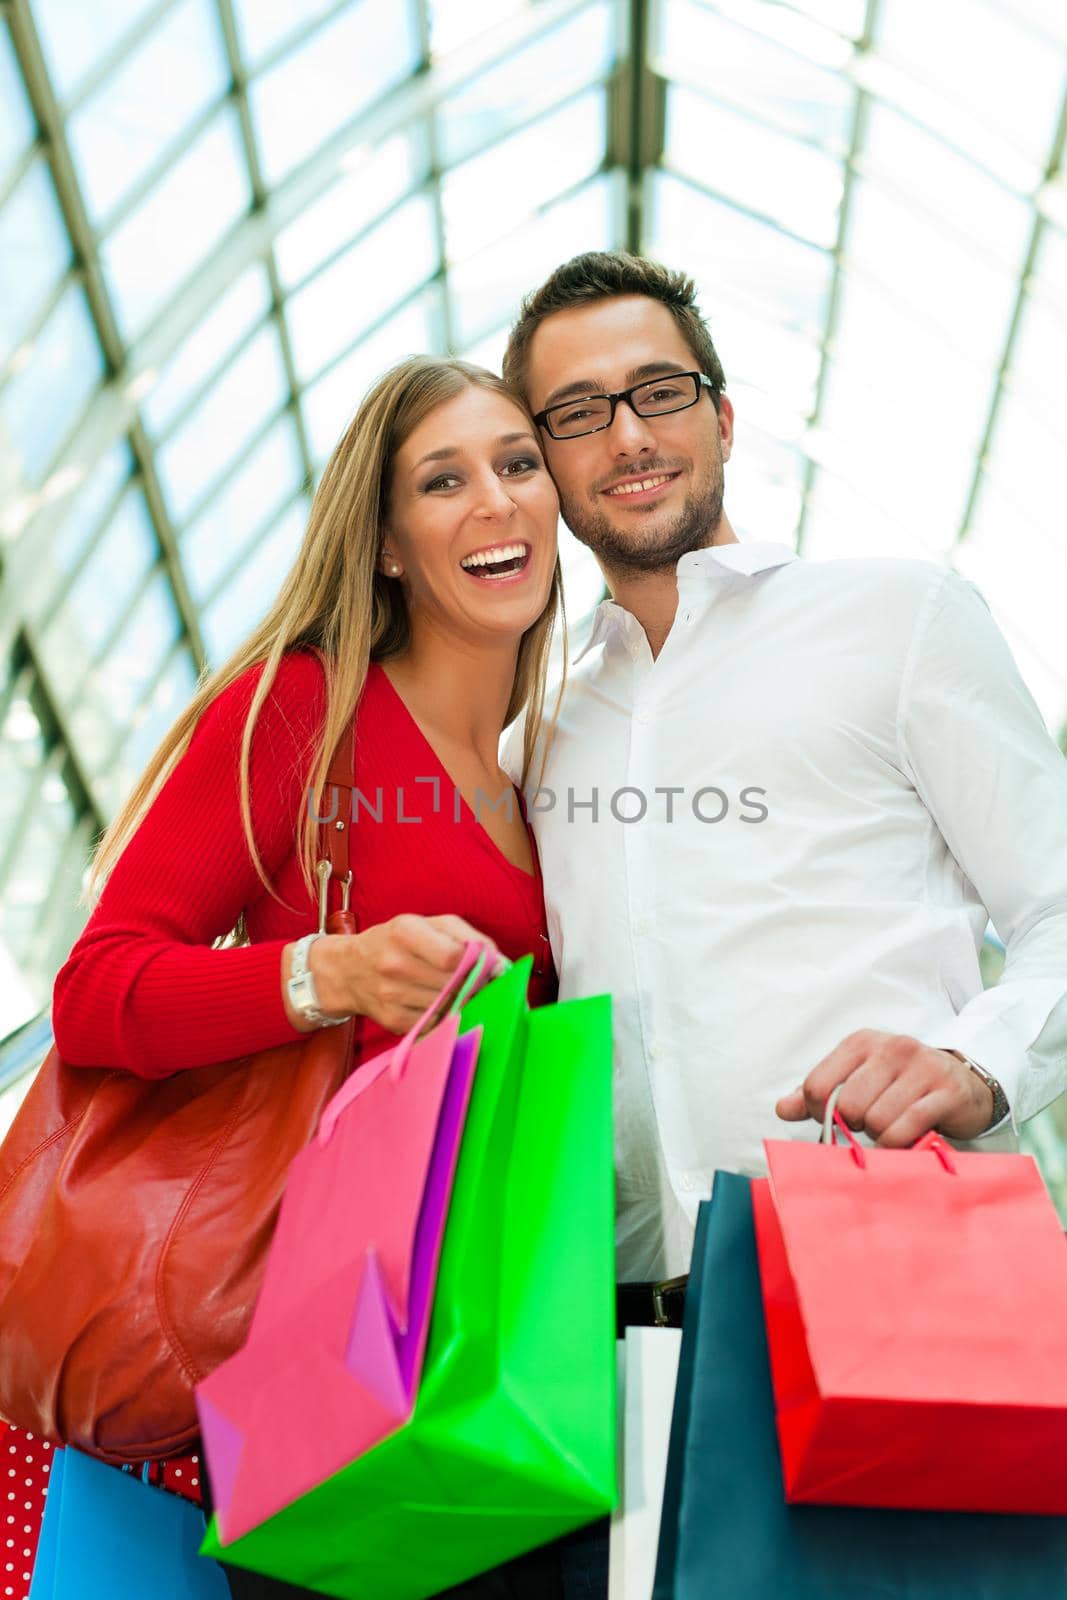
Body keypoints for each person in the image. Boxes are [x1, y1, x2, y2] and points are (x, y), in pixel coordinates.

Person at [49, 356, 569, 1600]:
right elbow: (95, 992)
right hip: (324, 1348)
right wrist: (321, 973)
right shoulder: (301, 712)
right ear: (386, 545)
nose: (495, 500)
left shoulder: (556, 772)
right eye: (443, 480)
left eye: (517, 465)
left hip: (509, 1353)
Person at [501, 249, 1067, 1297]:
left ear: (720, 420)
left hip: (901, 1266)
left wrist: (975, 1064)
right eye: (576, 413)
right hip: (632, 1325)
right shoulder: (536, 735)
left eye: (659, 393)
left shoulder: (899, 617)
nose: (627, 435)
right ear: (538, 463)